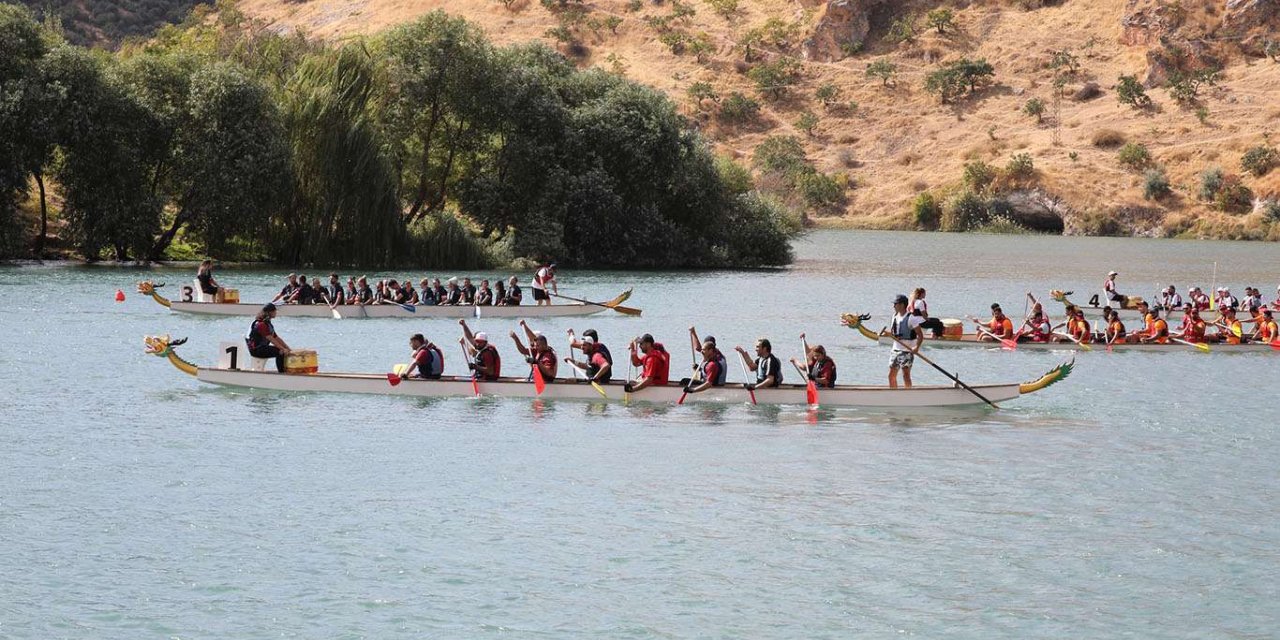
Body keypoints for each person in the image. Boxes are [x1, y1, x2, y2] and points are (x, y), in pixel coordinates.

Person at [881, 294, 923, 389]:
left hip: (907, 351)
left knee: (906, 375)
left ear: (902, 305)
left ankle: (908, 395)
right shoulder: (894, 317)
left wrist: (916, 347)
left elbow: (920, 335)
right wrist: (887, 334)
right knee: (891, 376)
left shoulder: (911, 318)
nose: (893, 306)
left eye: (895, 304)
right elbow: (894, 333)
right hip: (895, 350)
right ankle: (894, 395)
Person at [246, 303, 291, 372]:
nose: (276, 313)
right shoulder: (261, 324)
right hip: (256, 350)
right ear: (269, 312)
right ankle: (282, 372)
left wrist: (287, 348)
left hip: (262, 347)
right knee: (280, 352)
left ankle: (285, 370)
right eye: (274, 311)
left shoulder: (267, 323)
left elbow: (276, 337)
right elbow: (270, 338)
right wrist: (282, 349)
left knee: (283, 350)